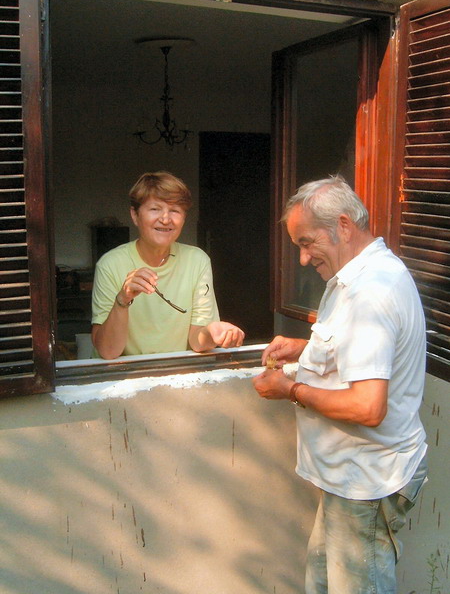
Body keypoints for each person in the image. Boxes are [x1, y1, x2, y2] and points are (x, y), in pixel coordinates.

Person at [252, 176, 428, 594]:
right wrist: (304, 348)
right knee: (322, 583)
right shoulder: (356, 276)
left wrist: (290, 390)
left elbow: (368, 406)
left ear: (344, 226)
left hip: (367, 482)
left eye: (307, 242)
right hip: (351, 480)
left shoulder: (370, 292)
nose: (302, 258)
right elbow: (364, 352)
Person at [91, 171, 245, 359]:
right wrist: (122, 299)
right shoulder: (110, 264)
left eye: (175, 211)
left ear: (184, 218)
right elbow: (108, 351)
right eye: (155, 209)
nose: (165, 219)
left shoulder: (197, 260)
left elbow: (197, 341)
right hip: (124, 371)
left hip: (175, 369)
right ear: (135, 215)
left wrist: (212, 332)